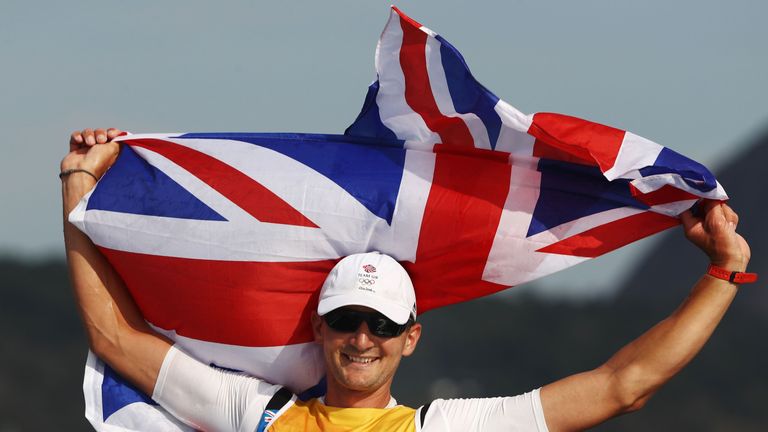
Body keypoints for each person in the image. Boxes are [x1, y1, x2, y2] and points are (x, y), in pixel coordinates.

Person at [62, 128, 756, 431]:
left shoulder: (446, 427)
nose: (363, 337)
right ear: (320, 327)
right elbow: (114, 339)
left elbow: (621, 388)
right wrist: (79, 188)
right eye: (347, 320)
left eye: (383, 324)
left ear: (410, 338)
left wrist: (725, 271)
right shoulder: (257, 416)